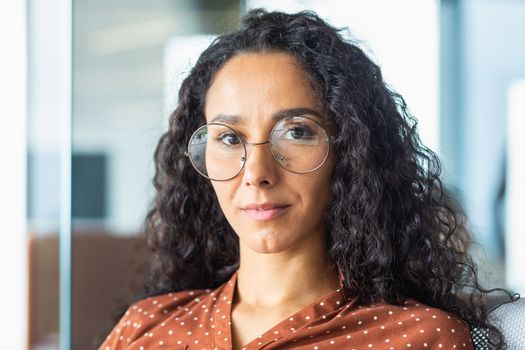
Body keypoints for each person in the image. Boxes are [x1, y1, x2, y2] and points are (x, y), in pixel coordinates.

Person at [100, 8, 506, 350]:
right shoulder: (146, 329)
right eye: (228, 138)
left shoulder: (418, 338)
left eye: (296, 131)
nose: (257, 173)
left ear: (350, 152)